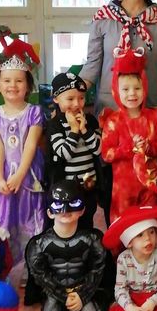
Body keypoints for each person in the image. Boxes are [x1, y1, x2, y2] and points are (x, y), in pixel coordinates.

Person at [0, 47, 44, 281]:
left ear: (28, 86)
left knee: (28, 218)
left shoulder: (34, 112)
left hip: (27, 174)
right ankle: (1, 268)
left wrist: (20, 175)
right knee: (1, 217)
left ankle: (29, 270)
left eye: (19, 81)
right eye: (7, 80)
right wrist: (0, 177)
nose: (12, 85)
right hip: (1, 174)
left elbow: (31, 145)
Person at [25, 181, 110, 311]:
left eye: (73, 203)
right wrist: (63, 297)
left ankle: (76, 308)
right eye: (58, 205)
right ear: (50, 212)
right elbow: (42, 277)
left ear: (82, 210)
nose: (66, 210)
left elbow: (97, 270)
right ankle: (62, 309)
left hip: (83, 288)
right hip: (55, 292)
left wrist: (83, 295)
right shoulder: (38, 244)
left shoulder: (93, 239)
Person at [100, 47, 157, 221]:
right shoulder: (113, 121)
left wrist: (148, 147)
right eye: (125, 89)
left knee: (149, 224)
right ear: (116, 90)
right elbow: (107, 154)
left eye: (137, 88)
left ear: (144, 88)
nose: (132, 93)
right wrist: (128, 147)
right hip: (123, 191)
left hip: (150, 188)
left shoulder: (153, 117)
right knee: (124, 228)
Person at [45, 71, 105, 230]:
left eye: (81, 98)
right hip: (66, 189)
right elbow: (64, 154)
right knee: (68, 222)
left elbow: (98, 150)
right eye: (70, 99)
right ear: (56, 99)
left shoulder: (90, 120)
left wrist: (84, 130)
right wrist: (74, 130)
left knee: (87, 218)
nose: (77, 104)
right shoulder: (54, 125)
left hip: (89, 184)